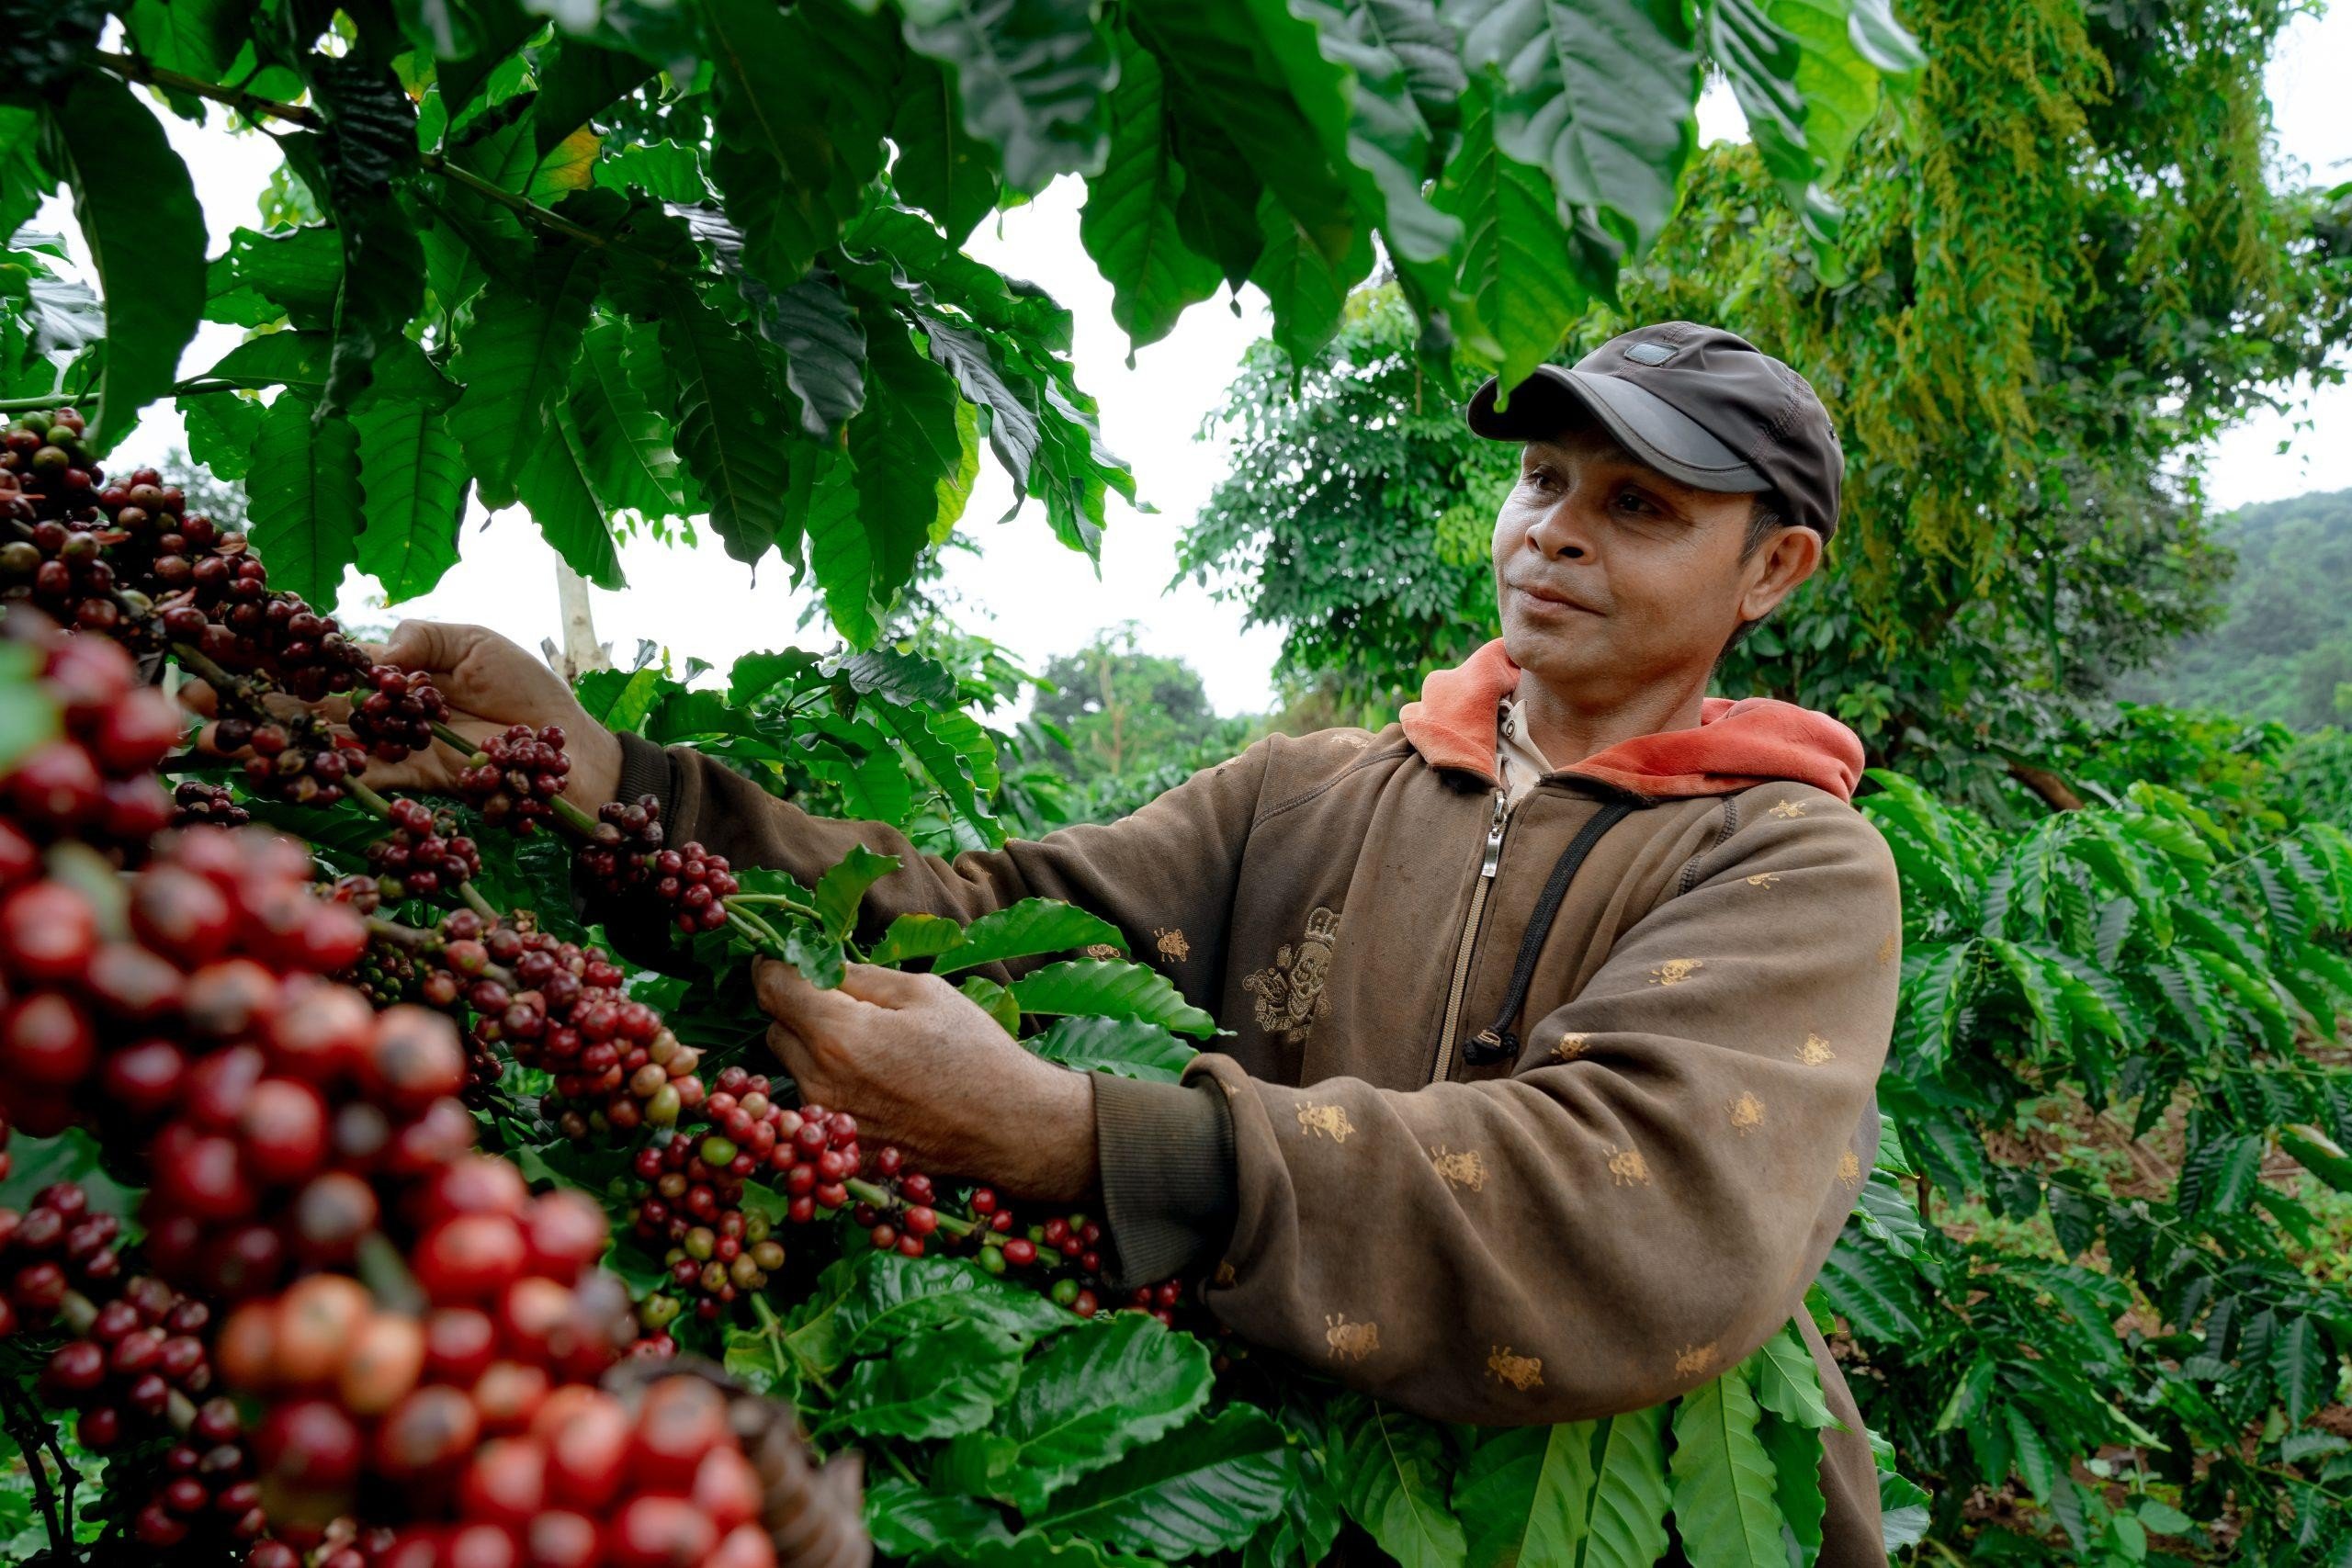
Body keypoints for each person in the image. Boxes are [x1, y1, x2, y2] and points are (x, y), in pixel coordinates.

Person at [345, 323, 1898, 1566]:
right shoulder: (1309, 792)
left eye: (1641, 509)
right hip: (1281, 1481)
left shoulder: (1789, 860)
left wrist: (1086, 1141)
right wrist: (604, 774)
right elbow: (970, 921)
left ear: (1772, 569)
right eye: (1545, 481)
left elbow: (1633, 1207)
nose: (1557, 533)